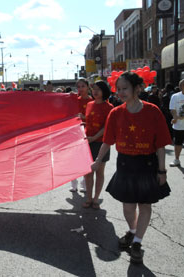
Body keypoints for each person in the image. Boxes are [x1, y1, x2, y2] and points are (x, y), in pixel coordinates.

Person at [91, 72, 171, 264]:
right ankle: (133, 231)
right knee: (128, 207)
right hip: (125, 164)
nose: (120, 92)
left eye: (125, 88)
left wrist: (162, 171)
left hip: (147, 165)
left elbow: (160, 144)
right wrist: (97, 160)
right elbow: (107, 141)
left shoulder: (153, 111)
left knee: (144, 205)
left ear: (137, 88)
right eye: (118, 89)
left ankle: (137, 242)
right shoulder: (116, 113)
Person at [82, 81, 113, 209]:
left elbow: (107, 126)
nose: (95, 91)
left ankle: (96, 199)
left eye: (98, 89)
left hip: (101, 143)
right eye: (93, 89)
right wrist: (82, 118)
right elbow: (89, 121)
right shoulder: (89, 104)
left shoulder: (109, 107)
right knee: (87, 172)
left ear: (104, 91)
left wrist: (94, 138)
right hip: (87, 142)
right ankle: (88, 198)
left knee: (99, 172)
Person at [70, 78, 92, 192]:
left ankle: (84, 182)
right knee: (73, 159)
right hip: (74, 133)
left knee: (86, 159)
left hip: (88, 134)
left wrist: (84, 118)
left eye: (83, 86)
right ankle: (73, 183)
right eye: (78, 87)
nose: (80, 89)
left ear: (88, 87)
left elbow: (96, 119)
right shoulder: (74, 100)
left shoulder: (93, 101)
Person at [169, 79, 184, 167]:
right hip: (178, 125)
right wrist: (175, 117)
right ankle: (177, 159)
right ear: (181, 87)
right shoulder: (175, 96)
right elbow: (172, 109)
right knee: (178, 143)